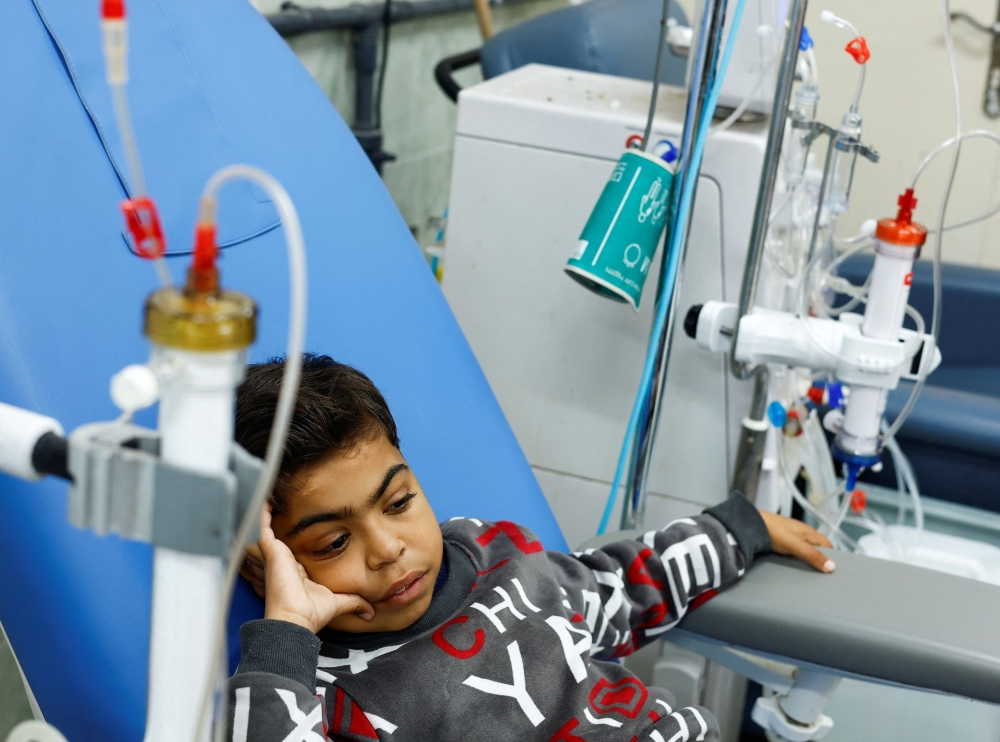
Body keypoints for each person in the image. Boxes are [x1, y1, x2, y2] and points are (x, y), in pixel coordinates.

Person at [231, 354, 834, 742]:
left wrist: (734, 532)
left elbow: (621, 587)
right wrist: (287, 633)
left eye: (399, 502)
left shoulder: (497, 557)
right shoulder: (322, 696)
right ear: (267, 562)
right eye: (334, 542)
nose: (388, 548)